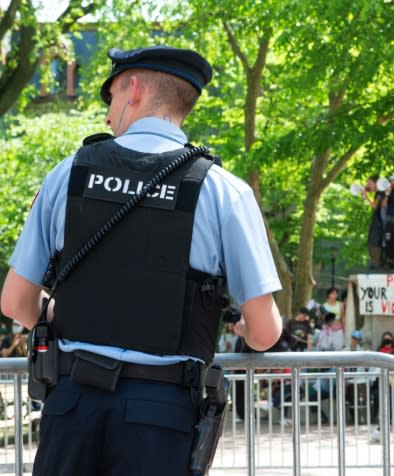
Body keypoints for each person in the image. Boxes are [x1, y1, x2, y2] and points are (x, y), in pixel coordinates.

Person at [0, 45, 283, 476]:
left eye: (110, 98)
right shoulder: (226, 191)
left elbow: (16, 302)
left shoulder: (68, 174)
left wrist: (65, 311)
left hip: (71, 409)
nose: (108, 116)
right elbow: (264, 332)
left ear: (133, 90)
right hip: (161, 419)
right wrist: (240, 325)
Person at [363, 175, 386, 269]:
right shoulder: (379, 193)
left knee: (374, 241)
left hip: (379, 222)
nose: (368, 186)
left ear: (376, 184)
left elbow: (375, 206)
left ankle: (377, 262)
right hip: (378, 221)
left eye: (370, 183)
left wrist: (366, 197)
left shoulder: (380, 193)